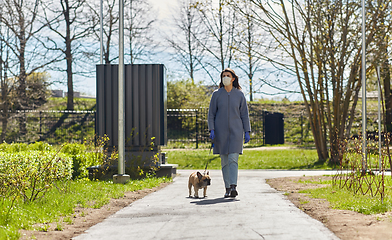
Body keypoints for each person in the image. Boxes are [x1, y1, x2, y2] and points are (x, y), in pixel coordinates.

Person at [208, 68, 251, 198]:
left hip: (236, 133)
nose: (225, 77)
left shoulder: (239, 95)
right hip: (220, 133)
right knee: (224, 162)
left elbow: (244, 115)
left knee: (233, 159)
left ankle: (233, 187)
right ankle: (227, 188)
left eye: (228, 75)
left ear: (233, 79)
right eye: (223, 76)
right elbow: (211, 114)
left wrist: (247, 131)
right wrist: (212, 129)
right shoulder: (216, 94)